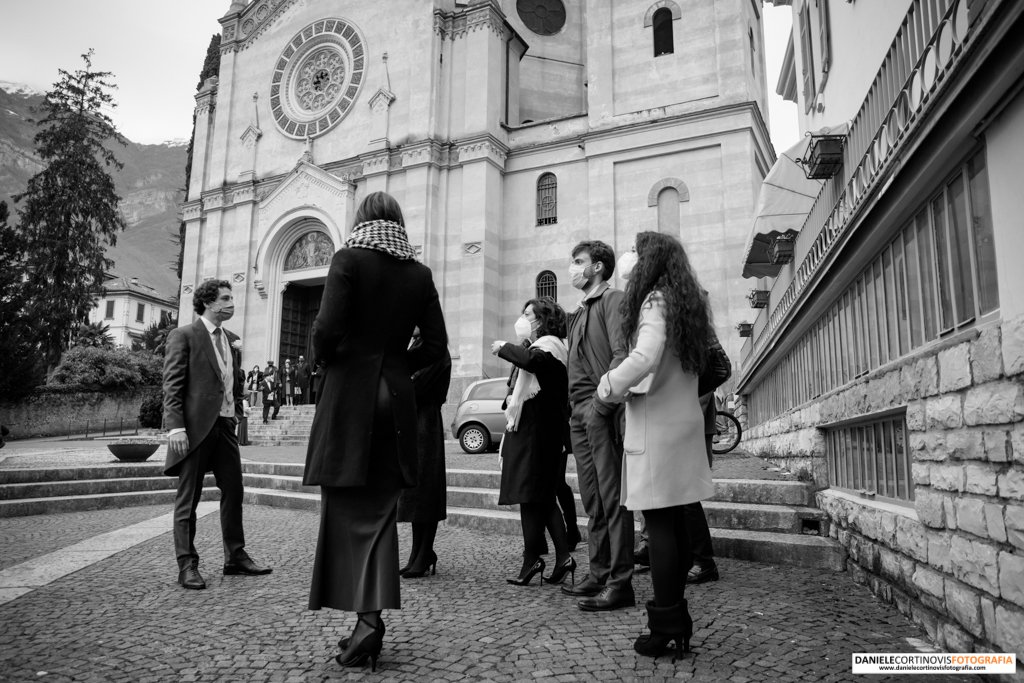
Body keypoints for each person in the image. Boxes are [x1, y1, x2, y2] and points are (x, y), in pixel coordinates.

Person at [304, 191, 447, 672]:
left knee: (345, 509)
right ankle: (368, 619)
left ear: (361, 220)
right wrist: (396, 362)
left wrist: (327, 361)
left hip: (350, 396)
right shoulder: (419, 273)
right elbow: (437, 345)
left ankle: (367, 622)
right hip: (395, 400)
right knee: (382, 512)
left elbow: (326, 329)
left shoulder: (348, 259)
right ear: (399, 223)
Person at [596, 231, 716, 660]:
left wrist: (608, 385)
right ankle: (675, 621)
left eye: (636, 250)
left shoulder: (654, 300)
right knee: (677, 527)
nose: (630, 256)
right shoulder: (685, 302)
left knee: (661, 527)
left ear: (650, 260)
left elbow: (645, 356)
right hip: (682, 422)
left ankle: (665, 626)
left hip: (657, 427)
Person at [162, 279, 272, 590]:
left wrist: (236, 412)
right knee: (189, 497)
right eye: (225, 298)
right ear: (208, 303)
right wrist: (175, 427)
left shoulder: (231, 339)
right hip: (194, 429)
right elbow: (172, 385)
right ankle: (187, 564)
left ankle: (234, 556)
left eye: (231, 298)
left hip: (225, 426)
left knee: (234, 490)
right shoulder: (184, 335)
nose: (231, 303)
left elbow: (232, 380)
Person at [563, 240, 634, 612]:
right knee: (592, 498)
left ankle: (620, 582)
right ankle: (599, 571)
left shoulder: (613, 300)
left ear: (599, 267)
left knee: (613, 498)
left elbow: (622, 354)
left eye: (579, 261)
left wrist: (601, 405)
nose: (574, 268)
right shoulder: (580, 311)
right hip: (578, 414)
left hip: (599, 409)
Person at [490, 298, 574, 588]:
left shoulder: (549, 347)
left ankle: (532, 560)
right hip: (535, 431)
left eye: (528, 314)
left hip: (538, 434)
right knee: (542, 497)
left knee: (531, 495)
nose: (522, 318)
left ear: (542, 319)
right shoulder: (542, 346)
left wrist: (504, 347)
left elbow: (531, 361)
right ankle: (562, 557)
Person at [397, 328, 452, 579]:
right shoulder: (417, 345)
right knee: (414, 493)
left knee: (426, 490)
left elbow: (414, 383)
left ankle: (424, 552)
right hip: (414, 421)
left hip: (426, 423)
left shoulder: (435, 349)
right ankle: (417, 553)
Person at [683, 392, 720, 584]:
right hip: (683, 426)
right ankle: (693, 558)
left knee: (688, 497)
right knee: (681, 497)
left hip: (690, 429)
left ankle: (704, 561)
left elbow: (704, 390)